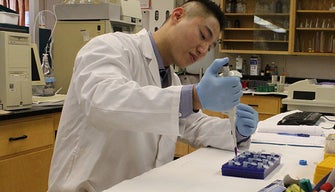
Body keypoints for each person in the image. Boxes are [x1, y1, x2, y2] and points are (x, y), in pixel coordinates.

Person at [48, 1, 258, 191]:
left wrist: (235, 130)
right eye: (203, 35)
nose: (203, 49)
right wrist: (192, 97)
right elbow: (102, 101)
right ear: (177, 16)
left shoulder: (170, 78)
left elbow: (193, 125)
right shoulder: (109, 47)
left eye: (211, 47)